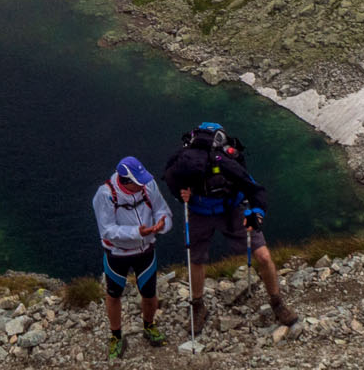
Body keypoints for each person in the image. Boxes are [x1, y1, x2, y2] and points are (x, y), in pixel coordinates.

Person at [163, 122, 298, 330]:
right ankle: (198, 306)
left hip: (231, 208)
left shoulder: (224, 163)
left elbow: (254, 190)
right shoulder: (185, 165)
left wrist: (256, 214)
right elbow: (172, 181)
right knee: (196, 259)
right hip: (201, 212)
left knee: (262, 255)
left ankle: (277, 302)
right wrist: (183, 196)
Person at [92, 156, 173, 358]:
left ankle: (149, 326)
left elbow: (162, 209)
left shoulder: (148, 185)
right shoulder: (105, 195)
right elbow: (107, 231)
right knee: (113, 294)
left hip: (145, 251)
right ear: (125, 181)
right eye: (138, 182)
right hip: (117, 254)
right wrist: (138, 232)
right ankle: (116, 335)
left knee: (149, 291)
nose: (143, 185)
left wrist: (163, 223)